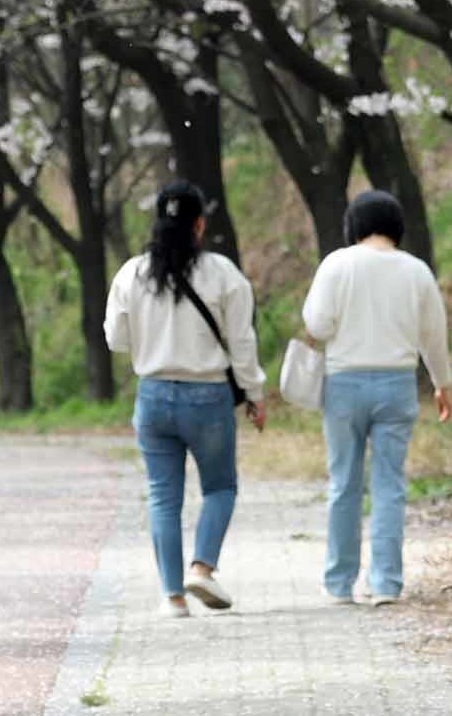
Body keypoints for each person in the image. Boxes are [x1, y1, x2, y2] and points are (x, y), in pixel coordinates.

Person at [104, 180, 266, 617]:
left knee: (162, 496)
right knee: (220, 486)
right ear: (199, 224)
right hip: (208, 395)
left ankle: (172, 597)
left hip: (153, 395)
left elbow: (116, 339)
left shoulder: (131, 274)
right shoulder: (223, 274)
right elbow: (241, 342)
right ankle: (202, 567)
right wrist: (254, 392)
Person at [302, 188, 452, 607]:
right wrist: (443, 383)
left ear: (355, 226)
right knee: (389, 484)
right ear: (396, 228)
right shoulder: (416, 271)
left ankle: (339, 583)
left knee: (344, 483)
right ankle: (386, 583)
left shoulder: (337, 264)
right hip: (396, 385)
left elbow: (317, 322)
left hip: (344, 385)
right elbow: (434, 335)